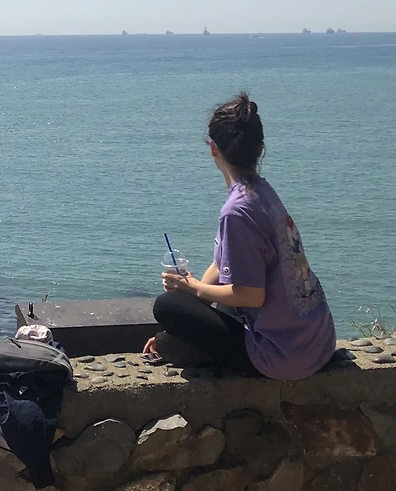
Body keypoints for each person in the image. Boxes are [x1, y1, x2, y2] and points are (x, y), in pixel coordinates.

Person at [143, 92, 336, 379]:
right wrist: (196, 296)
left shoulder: (236, 212)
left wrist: (192, 289)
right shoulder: (263, 193)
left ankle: (173, 346)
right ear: (259, 149)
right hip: (317, 341)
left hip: (285, 355)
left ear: (213, 149)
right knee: (207, 301)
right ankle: (174, 343)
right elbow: (223, 263)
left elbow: (251, 296)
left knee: (167, 306)